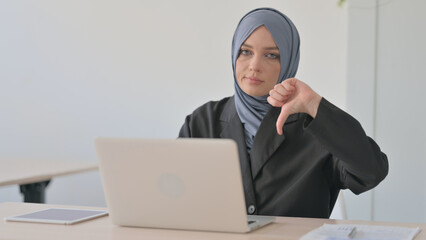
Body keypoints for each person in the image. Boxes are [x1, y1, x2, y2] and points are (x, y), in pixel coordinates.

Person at [178, 7, 388, 218]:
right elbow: (175, 193)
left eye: (271, 55)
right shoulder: (202, 121)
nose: (254, 66)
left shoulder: (317, 127)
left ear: (289, 60)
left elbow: (371, 172)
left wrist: (314, 104)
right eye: (245, 51)